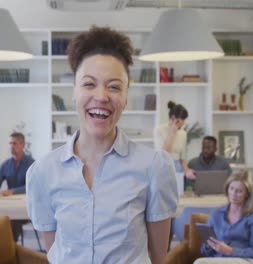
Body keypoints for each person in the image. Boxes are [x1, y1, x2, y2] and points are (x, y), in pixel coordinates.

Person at [26, 26, 178, 263]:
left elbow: (158, 257)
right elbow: (56, 255)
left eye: (114, 86)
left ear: (126, 97)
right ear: (74, 93)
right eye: (89, 84)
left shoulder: (154, 167)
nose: (102, 96)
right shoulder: (43, 172)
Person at [195, 170, 253, 264]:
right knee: (199, 262)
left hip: (242, 260)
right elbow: (204, 252)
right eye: (231, 188)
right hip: (217, 260)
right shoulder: (216, 214)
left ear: (247, 194)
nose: (233, 194)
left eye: (239, 191)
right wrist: (209, 246)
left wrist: (230, 251)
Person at [0, 132, 34, 242]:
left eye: (15, 143)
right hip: (9, 204)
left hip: (25, 207)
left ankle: (11, 248)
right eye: (10, 143)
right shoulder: (5, 164)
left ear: (22, 145)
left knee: (13, 219)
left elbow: (32, 187)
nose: (11, 146)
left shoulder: (32, 164)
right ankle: (1, 247)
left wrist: (13, 191)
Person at [154, 101, 195, 194]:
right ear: (173, 118)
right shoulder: (159, 130)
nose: (183, 123)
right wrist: (172, 133)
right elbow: (163, 153)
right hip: (163, 166)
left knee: (178, 195)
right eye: (182, 120)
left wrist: (187, 171)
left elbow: (182, 158)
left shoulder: (183, 133)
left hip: (178, 169)